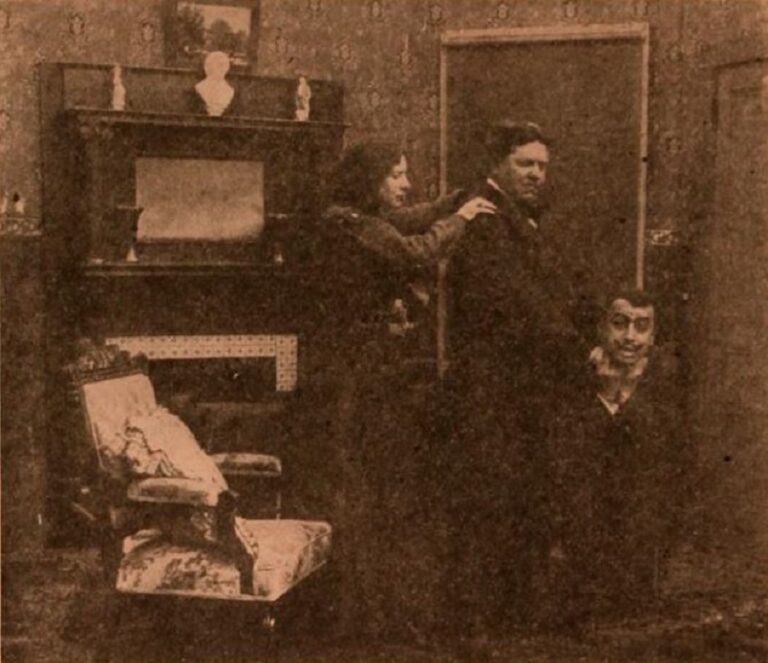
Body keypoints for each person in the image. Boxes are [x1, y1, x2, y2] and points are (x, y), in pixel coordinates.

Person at [304, 141, 496, 644]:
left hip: (363, 370)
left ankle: (375, 610)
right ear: (368, 181)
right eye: (395, 175)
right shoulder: (349, 223)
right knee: (369, 495)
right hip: (352, 377)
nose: (405, 184)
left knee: (377, 493)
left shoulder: (357, 218)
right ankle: (367, 615)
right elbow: (414, 249)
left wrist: (456, 198)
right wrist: (462, 218)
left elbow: (407, 219)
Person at [444, 121, 594, 649]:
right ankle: (473, 627)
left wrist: (594, 327)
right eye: (525, 163)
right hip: (488, 386)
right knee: (488, 500)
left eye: (542, 166)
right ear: (498, 164)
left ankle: (511, 616)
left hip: (527, 385)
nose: (536, 174)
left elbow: (559, 291)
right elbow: (517, 303)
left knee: (525, 497)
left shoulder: (525, 219)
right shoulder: (484, 220)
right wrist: (582, 349)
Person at [546, 289, 692, 627]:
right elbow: (569, 459)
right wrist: (606, 392)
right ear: (602, 328)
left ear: (653, 336)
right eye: (620, 324)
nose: (630, 337)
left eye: (641, 327)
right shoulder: (577, 379)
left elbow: (661, 459)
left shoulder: (662, 382)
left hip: (640, 531)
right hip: (583, 534)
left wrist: (621, 400)